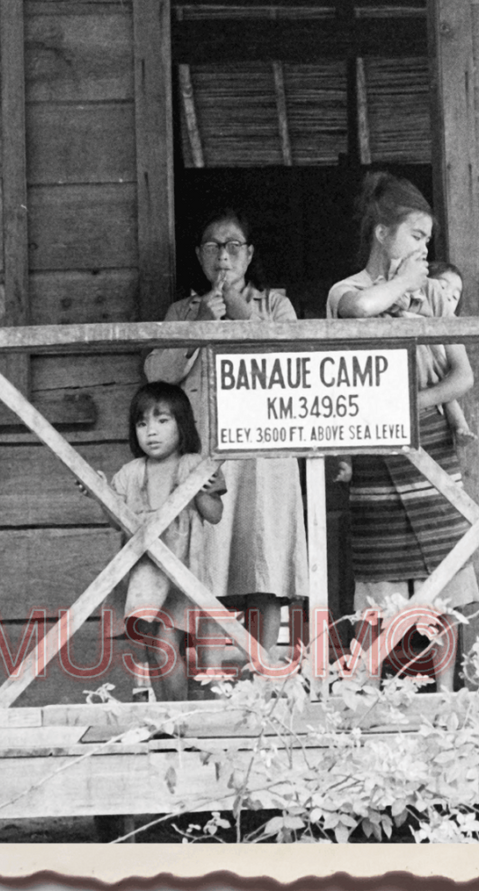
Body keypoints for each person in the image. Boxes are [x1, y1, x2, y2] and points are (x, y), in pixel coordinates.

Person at [326, 171, 478, 691]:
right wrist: (405, 284)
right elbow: (362, 308)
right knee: (379, 584)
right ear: (382, 234)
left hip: (432, 451)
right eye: (416, 236)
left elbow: (463, 374)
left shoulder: (434, 296)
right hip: (374, 457)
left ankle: (445, 695)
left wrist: (409, 404)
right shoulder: (345, 291)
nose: (424, 249)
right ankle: (365, 693)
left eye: (428, 241)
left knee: (446, 580)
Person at [144, 209, 308, 667]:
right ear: (199, 255)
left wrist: (236, 309)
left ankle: (265, 671)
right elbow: (157, 374)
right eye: (213, 246)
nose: (223, 255)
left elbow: (289, 358)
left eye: (234, 245)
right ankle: (212, 673)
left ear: (249, 254)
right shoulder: (182, 310)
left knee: (266, 562)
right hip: (207, 456)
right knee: (208, 565)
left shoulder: (275, 303)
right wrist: (200, 324)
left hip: (265, 454)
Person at [98, 382, 225, 702]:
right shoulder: (130, 473)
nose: (150, 431)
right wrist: (102, 497)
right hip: (141, 573)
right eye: (142, 423)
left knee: (167, 646)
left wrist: (205, 490)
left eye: (162, 421)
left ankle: (177, 712)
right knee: (150, 647)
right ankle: (161, 713)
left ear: (182, 424)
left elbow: (214, 515)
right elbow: (116, 521)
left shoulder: (192, 465)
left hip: (181, 574)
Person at [424, 262, 476, 446]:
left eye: (455, 296)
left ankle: (461, 427)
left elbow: (462, 378)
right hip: (424, 389)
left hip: (436, 390)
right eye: (442, 286)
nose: (447, 296)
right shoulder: (410, 314)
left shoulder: (450, 324)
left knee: (449, 394)